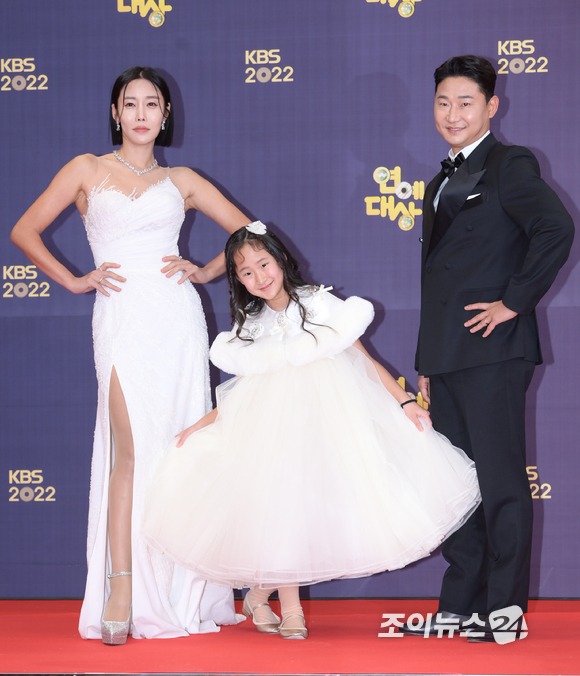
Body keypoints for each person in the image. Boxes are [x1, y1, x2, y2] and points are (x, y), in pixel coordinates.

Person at [142, 222, 482, 639]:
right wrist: (200, 424)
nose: (259, 277)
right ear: (238, 281)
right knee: (283, 506)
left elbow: (365, 361)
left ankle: (258, 594)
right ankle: (292, 611)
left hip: (325, 424)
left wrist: (405, 402)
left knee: (309, 513)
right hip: (272, 431)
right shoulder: (251, 324)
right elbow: (245, 391)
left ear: (281, 259)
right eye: (246, 272)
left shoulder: (318, 303)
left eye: (263, 264)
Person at [10, 66, 252, 644]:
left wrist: (205, 271)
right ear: (115, 113)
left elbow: (249, 232)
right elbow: (24, 230)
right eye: (131, 103)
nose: (141, 114)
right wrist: (74, 280)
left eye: (152, 104)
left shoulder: (182, 179)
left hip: (177, 321)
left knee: (178, 450)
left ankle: (180, 581)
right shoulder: (86, 169)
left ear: (165, 114)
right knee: (130, 450)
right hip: (120, 320)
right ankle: (121, 588)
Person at [410, 55, 574, 642]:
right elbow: (435, 280)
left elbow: (557, 228)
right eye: (443, 102)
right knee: (460, 486)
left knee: (502, 484)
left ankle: (503, 609)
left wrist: (513, 301)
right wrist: (426, 363)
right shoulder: (437, 183)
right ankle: (461, 603)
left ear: (491, 107)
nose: (453, 114)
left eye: (466, 103)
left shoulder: (509, 165)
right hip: (447, 357)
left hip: (494, 351)